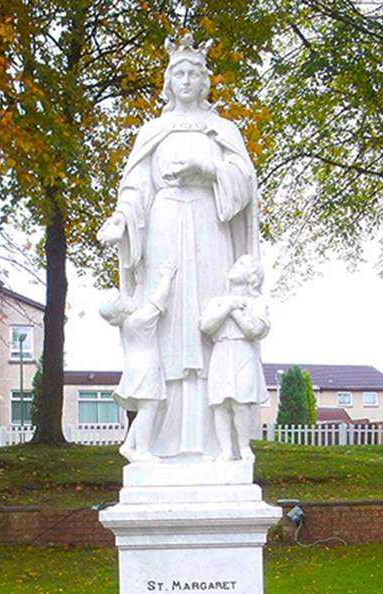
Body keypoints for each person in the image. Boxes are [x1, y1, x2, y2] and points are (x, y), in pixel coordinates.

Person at [97, 33, 261, 459]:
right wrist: (121, 220)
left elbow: (243, 185)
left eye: (194, 72)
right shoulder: (153, 131)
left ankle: (218, 440)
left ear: (205, 81)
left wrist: (207, 168)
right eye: (179, 73)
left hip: (210, 226)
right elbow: (136, 188)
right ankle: (161, 437)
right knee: (168, 325)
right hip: (165, 227)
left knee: (209, 323)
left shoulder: (223, 130)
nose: (186, 79)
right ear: (168, 82)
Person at [98, 263, 177, 462]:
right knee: (148, 409)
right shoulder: (138, 320)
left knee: (146, 409)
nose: (128, 298)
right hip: (145, 368)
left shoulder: (126, 323)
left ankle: (129, 446)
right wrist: (166, 276)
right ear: (121, 307)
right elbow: (157, 301)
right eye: (123, 299)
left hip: (137, 368)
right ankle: (142, 451)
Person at [199, 255, 269, 461]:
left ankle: (243, 447)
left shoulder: (257, 301)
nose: (234, 266)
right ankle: (225, 450)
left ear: (252, 277)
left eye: (241, 265)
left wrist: (235, 312)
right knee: (220, 403)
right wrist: (228, 307)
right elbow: (206, 326)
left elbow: (253, 330)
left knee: (240, 402)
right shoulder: (218, 301)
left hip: (243, 352)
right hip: (221, 351)